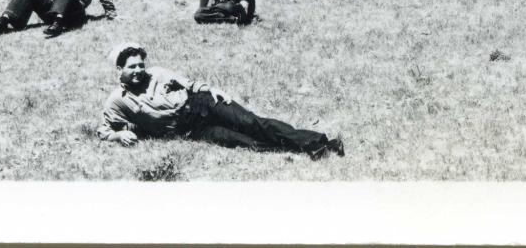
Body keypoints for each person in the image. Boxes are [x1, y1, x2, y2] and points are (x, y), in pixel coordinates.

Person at [97, 43, 343, 158]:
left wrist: (212, 89)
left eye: (141, 64)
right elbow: (104, 130)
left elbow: (191, 84)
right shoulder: (117, 101)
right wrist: (119, 135)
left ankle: (320, 142)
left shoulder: (158, 73)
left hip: (202, 103)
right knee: (247, 143)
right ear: (119, 70)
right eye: (132, 67)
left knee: (253, 124)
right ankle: (309, 148)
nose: (140, 70)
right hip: (193, 130)